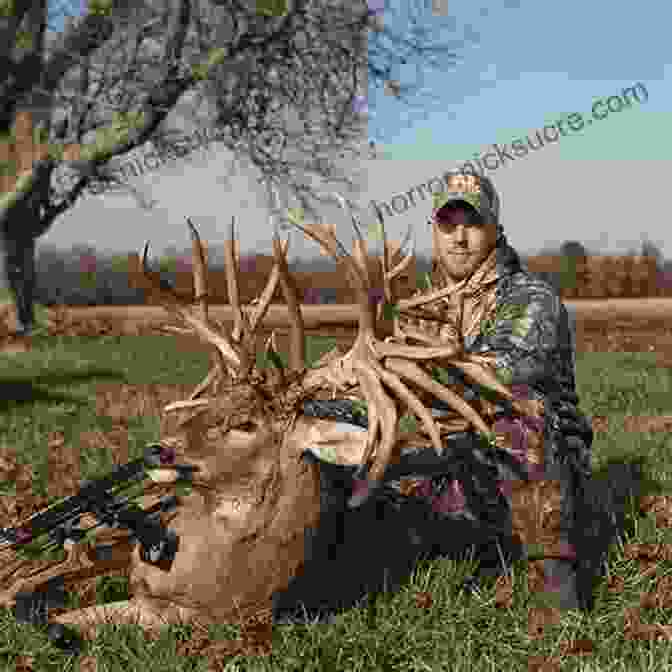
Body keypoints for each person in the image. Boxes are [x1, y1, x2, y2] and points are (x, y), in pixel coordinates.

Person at [274, 171, 599, 622]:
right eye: (448, 225)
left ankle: (557, 599)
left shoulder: (530, 300)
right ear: (435, 230)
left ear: (495, 231)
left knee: (518, 413)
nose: (459, 238)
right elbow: (389, 388)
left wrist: (402, 370)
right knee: (343, 441)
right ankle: (312, 585)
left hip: (537, 476)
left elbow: (493, 376)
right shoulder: (421, 308)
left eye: (472, 224)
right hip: (452, 468)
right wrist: (334, 390)